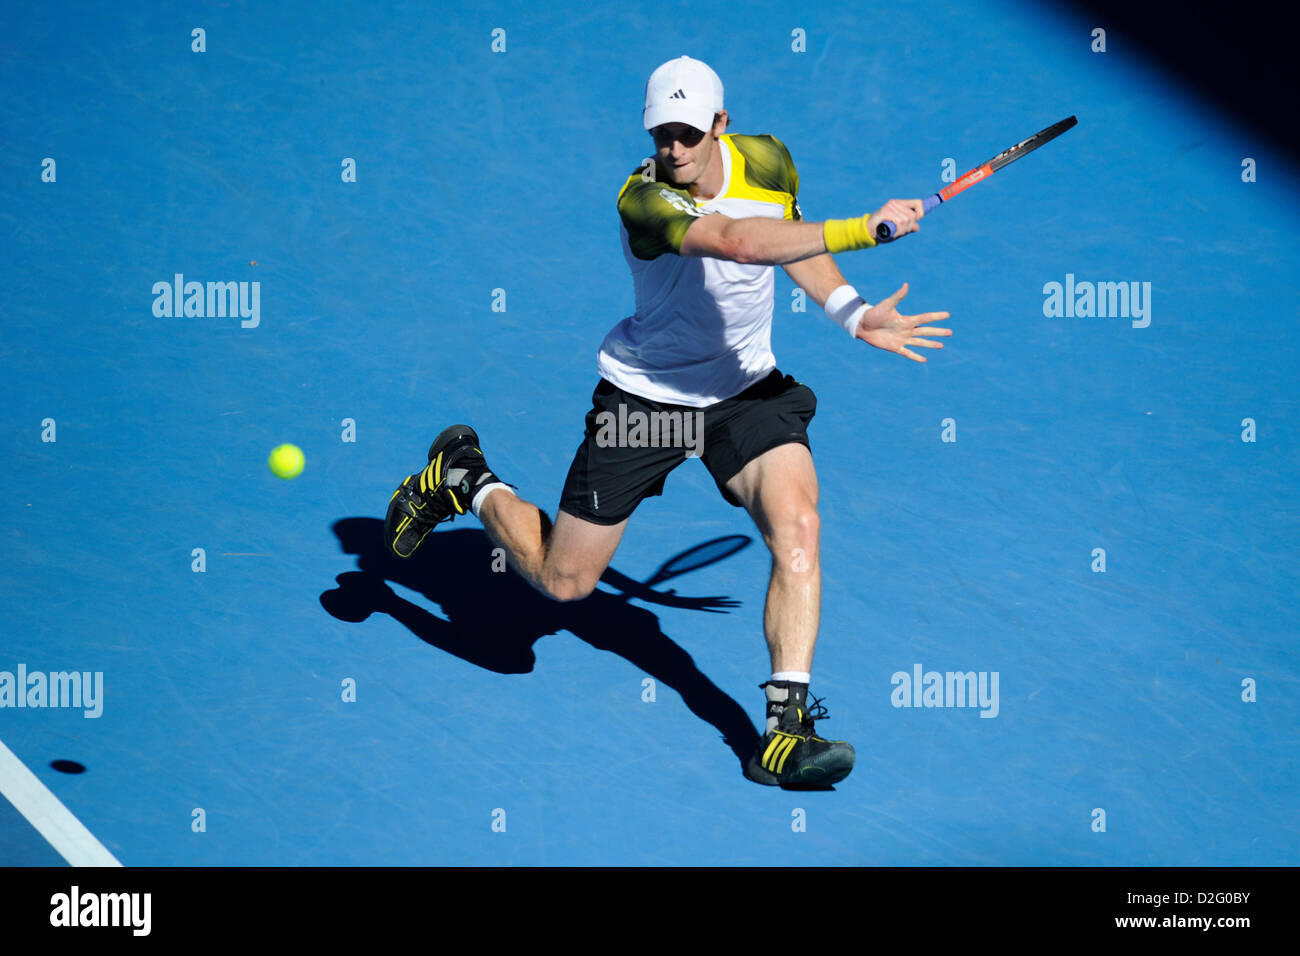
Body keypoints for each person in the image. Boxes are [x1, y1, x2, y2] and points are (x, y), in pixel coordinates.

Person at [384, 55, 951, 787]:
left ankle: (784, 733)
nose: (674, 148)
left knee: (799, 529)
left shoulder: (768, 160)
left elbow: (789, 240)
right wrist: (858, 229)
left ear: (721, 124)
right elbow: (739, 241)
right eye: (662, 134)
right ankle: (465, 475)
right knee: (563, 584)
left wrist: (853, 312)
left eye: (689, 133)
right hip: (648, 403)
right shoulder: (643, 199)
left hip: (746, 394)